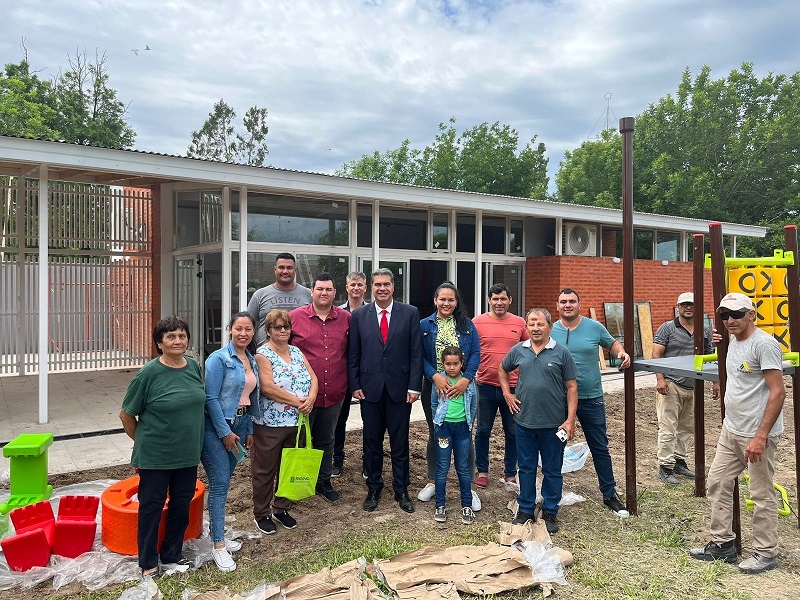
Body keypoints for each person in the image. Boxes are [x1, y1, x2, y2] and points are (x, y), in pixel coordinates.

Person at [690, 293, 786, 574]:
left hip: (756, 434)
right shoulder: (733, 339)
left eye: (737, 314)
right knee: (718, 482)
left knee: (760, 493)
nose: (730, 320)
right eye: (724, 315)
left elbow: (778, 392)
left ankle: (766, 553)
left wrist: (760, 437)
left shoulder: (764, 344)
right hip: (731, 429)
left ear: (751, 315)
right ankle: (723, 545)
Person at [119, 316, 205, 581]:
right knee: (151, 508)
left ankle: (171, 555)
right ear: (160, 343)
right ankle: (147, 562)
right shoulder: (148, 373)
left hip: (187, 454)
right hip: (156, 457)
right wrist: (146, 443)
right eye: (170, 337)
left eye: (181, 335)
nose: (178, 341)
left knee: (181, 505)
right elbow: (126, 415)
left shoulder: (192, 366)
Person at [550, 288, 631, 517]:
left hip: (591, 398)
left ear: (579, 304)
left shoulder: (594, 327)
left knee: (599, 447)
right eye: (563, 302)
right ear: (557, 306)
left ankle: (609, 494)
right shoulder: (551, 329)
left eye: (572, 301)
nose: (568, 305)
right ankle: (553, 495)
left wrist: (622, 353)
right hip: (558, 401)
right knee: (555, 447)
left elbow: (612, 344)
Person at [348, 268, 423, 513]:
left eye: (387, 284)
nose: (382, 288)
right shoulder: (359, 315)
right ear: (371, 287)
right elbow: (354, 353)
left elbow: (415, 353)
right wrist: (355, 384)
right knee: (371, 442)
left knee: (400, 442)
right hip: (369, 390)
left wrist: (414, 386)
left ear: (393, 287)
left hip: (400, 390)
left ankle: (402, 489)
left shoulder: (410, 313)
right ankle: (374, 487)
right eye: (378, 284)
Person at [499, 308, 578, 534]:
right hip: (524, 422)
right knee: (526, 467)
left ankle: (551, 510)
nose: (535, 328)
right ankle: (525, 508)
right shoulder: (519, 350)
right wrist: (507, 394)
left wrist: (570, 420)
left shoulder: (561, 353)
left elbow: (572, 387)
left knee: (553, 469)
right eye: (531, 323)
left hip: (554, 424)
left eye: (540, 324)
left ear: (550, 327)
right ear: (527, 327)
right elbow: (502, 370)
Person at [201, 311, 258, 571]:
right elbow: (210, 398)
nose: (243, 333)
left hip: (240, 424)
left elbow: (248, 397)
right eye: (238, 329)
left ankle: (216, 533)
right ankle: (219, 546)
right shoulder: (218, 359)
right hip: (216, 427)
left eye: (248, 329)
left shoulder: (251, 360)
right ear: (230, 330)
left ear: (253, 332)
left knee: (224, 482)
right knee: (220, 484)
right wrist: (224, 433)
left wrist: (248, 429)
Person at [251, 309, 318, 534]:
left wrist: (311, 399)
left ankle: (281, 509)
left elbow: (313, 378)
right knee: (265, 470)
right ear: (268, 331)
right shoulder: (262, 354)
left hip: (298, 422)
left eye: (286, 327)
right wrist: (298, 401)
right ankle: (261, 513)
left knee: (290, 468)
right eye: (277, 327)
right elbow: (268, 387)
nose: (282, 331)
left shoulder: (297, 351)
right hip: (270, 424)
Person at [418, 282, 481, 514]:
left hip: (465, 388)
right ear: (435, 300)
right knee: (435, 432)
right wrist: (435, 376)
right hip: (435, 387)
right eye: (442, 299)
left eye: (451, 300)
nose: (446, 303)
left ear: (456, 303)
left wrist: (466, 379)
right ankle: (434, 481)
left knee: (466, 432)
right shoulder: (425, 325)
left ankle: (470, 486)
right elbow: (421, 356)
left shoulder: (467, 325)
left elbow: (475, 353)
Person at [289, 273, 351, 502]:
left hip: (334, 392)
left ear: (335, 293)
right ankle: (299, 481)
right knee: (301, 439)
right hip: (302, 396)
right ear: (312, 291)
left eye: (328, 289)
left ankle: (323, 481)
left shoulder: (346, 319)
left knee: (326, 439)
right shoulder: (294, 318)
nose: (324, 293)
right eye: (319, 289)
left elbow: (352, 352)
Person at [652, 292, 713, 485]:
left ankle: (679, 461)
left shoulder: (705, 330)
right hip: (671, 385)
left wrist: (716, 382)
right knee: (668, 427)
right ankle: (665, 466)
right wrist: (660, 379)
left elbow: (710, 357)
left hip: (693, 385)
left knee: (686, 428)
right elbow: (656, 355)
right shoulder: (667, 329)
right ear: (678, 307)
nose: (689, 308)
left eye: (692, 305)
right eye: (685, 304)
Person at [472, 283, 528, 491]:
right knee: (483, 431)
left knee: (512, 431)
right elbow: (470, 350)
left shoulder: (520, 323)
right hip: (484, 386)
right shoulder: (477, 323)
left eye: (503, 299)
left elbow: (530, 350)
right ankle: (482, 471)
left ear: (510, 300)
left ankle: (510, 473)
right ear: (489, 300)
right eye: (495, 299)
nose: (499, 303)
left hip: (513, 388)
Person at [432, 346, 478, 525]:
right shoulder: (440, 381)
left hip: (462, 430)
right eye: (448, 364)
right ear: (443, 364)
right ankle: (440, 505)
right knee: (442, 467)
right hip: (444, 429)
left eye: (455, 364)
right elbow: (434, 404)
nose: (452, 367)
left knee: (463, 468)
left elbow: (473, 405)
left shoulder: (468, 382)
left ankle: (466, 505)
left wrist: (469, 425)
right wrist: (438, 425)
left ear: (461, 364)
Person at [333, 271, 369, 478]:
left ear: (365, 288)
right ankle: (337, 458)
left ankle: (368, 460)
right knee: (339, 419)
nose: (356, 288)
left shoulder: (372, 312)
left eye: (360, 285)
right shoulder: (337, 313)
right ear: (346, 288)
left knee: (370, 420)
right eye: (352, 285)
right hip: (342, 374)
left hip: (366, 374)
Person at [248, 253, 312, 346]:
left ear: (295, 270)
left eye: (289, 268)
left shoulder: (309, 295)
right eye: (281, 267)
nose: (285, 271)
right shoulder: (260, 295)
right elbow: (248, 325)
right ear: (275, 269)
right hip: (264, 356)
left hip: (299, 355)